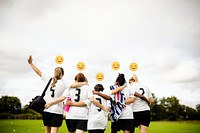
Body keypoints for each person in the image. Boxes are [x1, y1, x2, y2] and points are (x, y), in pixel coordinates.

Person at [27, 55, 86, 133]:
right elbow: (75, 85)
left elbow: (38, 72)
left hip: (46, 109)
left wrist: (31, 63)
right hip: (57, 111)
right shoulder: (65, 83)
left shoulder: (48, 79)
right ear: (63, 74)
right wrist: (85, 83)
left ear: (54, 73)